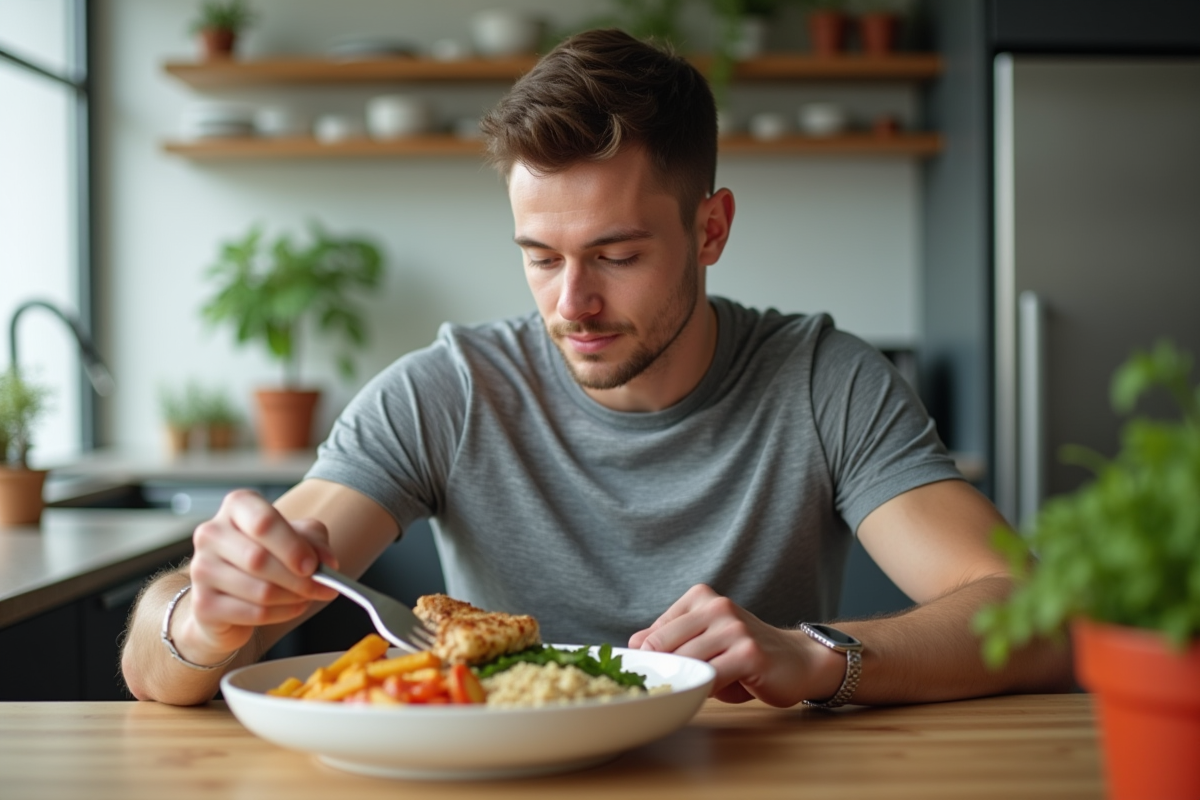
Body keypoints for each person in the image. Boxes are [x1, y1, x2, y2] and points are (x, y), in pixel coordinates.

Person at [122, 29, 1072, 708]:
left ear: (710, 229)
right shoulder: (449, 391)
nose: (572, 302)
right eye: (541, 257)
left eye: (616, 256)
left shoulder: (825, 381)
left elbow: (1036, 618)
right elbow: (156, 665)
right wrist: (203, 621)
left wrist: (817, 655)